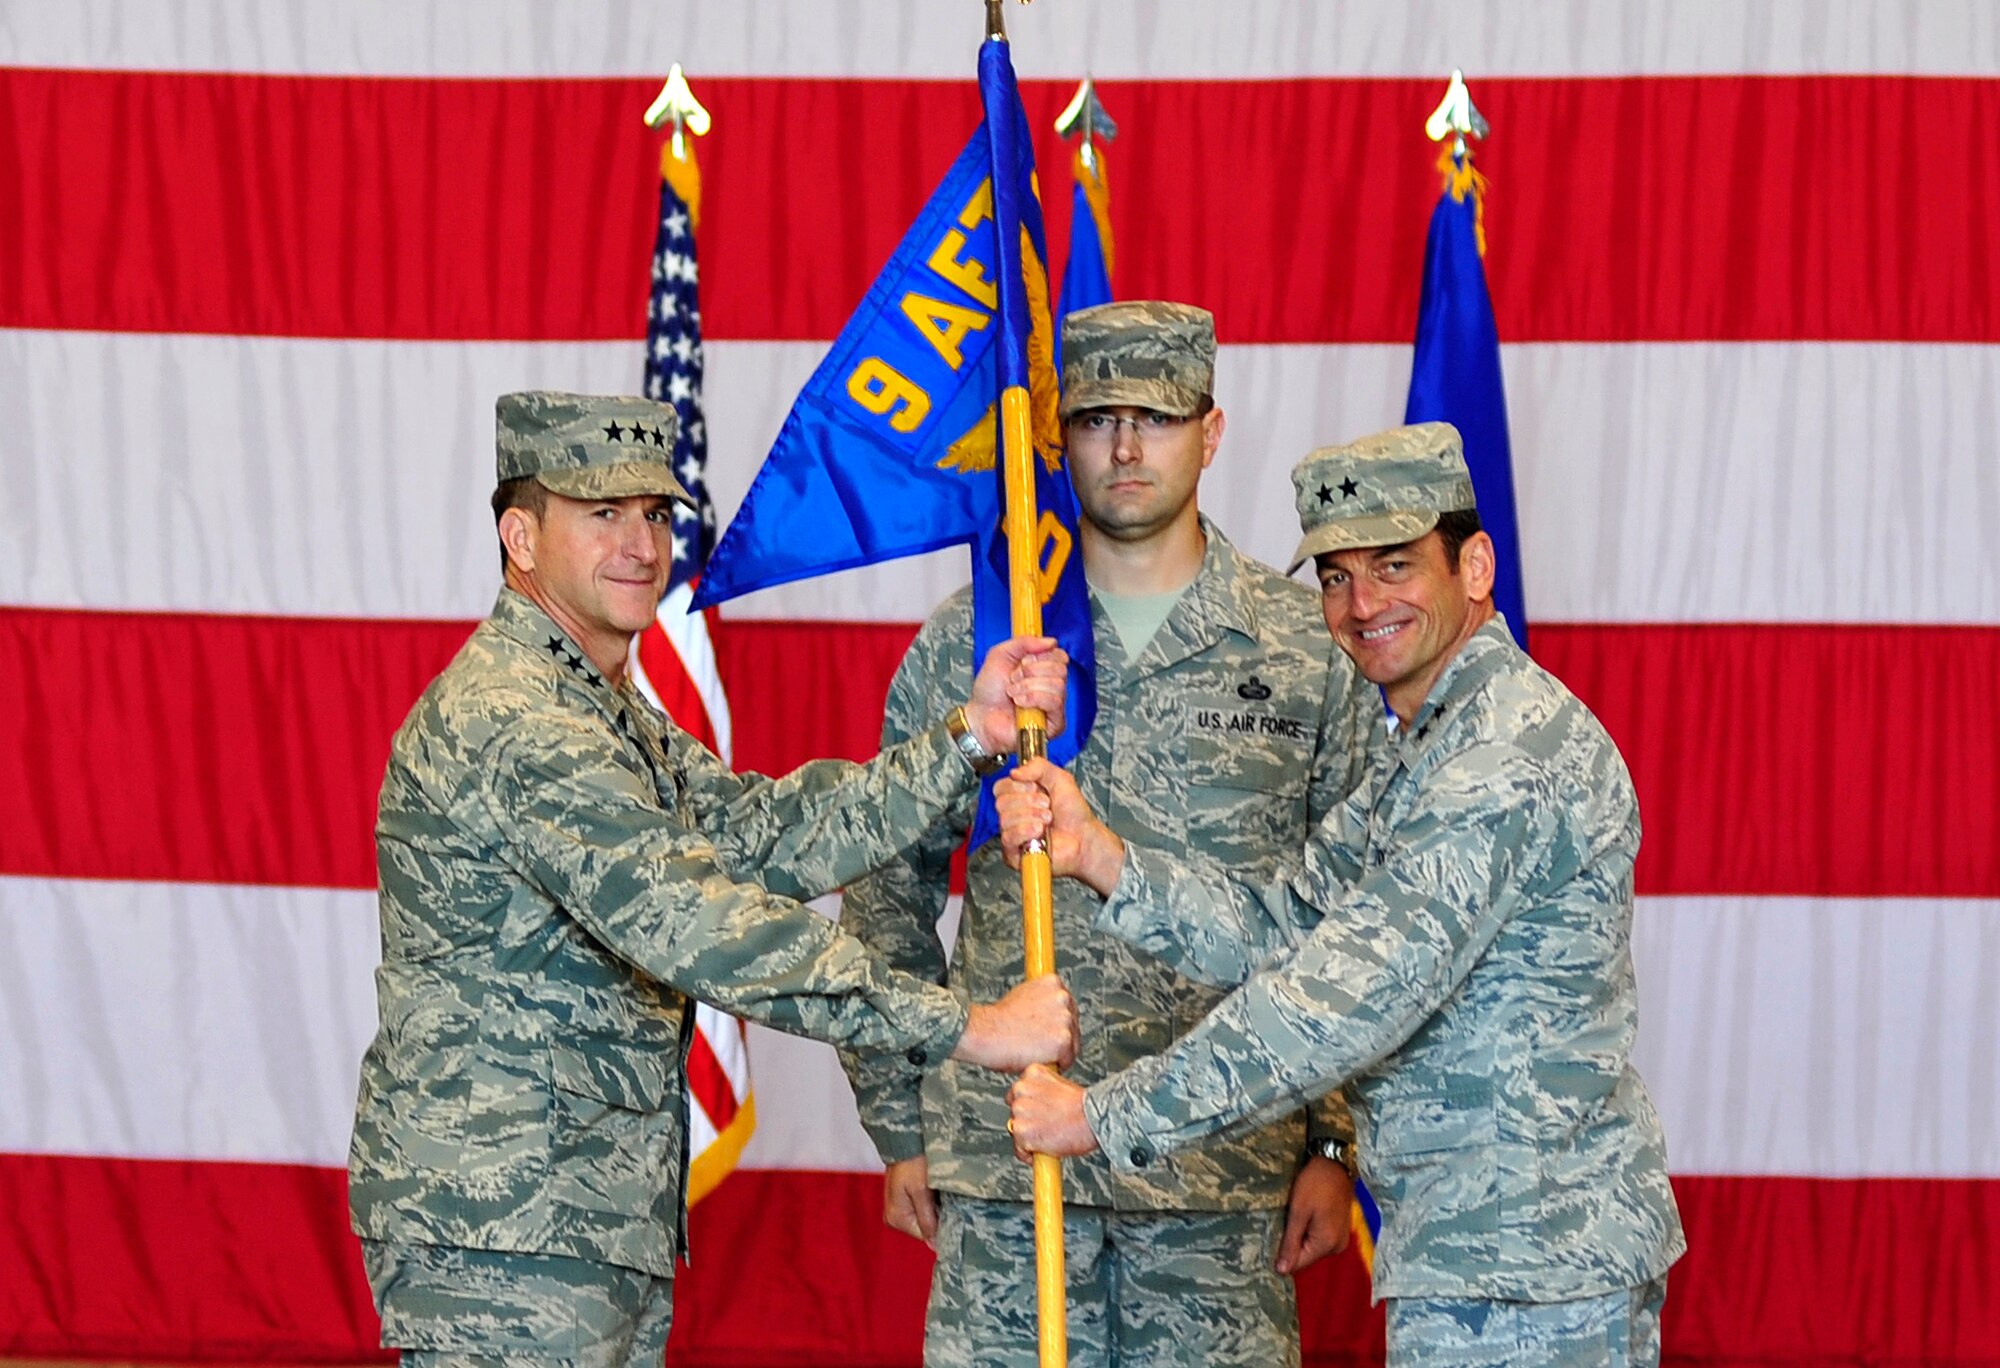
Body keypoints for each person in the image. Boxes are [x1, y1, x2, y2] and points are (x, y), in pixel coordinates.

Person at [347, 391, 1080, 1368]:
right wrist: (974, 1029)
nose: (641, 544)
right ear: (520, 536)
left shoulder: (600, 709)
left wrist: (964, 740)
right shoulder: (523, 719)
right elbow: (703, 925)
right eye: (601, 514)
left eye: (655, 515)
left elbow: (761, 834)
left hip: (571, 1217)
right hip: (505, 1231)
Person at [1001, 423, 1686, 1366]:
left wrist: (1104, 1116)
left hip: (1534, 1270)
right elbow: (1286, 928)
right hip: (1487, 1260)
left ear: (1475, 565)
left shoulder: (1500, 758)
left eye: (1397, 565)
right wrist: (1103, 856)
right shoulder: (1428, 747)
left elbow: (1339, 1001)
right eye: (1334, 575)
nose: (1363, 604)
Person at [838, 303, 1382, 1368]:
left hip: (1219, 1169)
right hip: (1012, 1171)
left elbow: (1354, 914)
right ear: (1057, 439)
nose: (1126, 449)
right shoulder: (981, 639)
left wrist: (1331, 1136)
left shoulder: (1302, 648)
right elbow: (883, 880)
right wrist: (899, 1119)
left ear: (1210, 432)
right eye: (1094, 419)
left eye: (1157, 417)